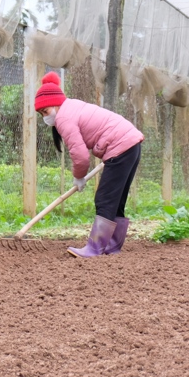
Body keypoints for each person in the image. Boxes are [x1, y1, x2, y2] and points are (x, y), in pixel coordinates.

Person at [35, 72, 144, 257]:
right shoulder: (72, 107)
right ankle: (112, 246)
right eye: (41, 114)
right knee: (116, 199)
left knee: (104, 198)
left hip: (120, 145)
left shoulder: (64, 117)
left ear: (55, 103)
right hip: (131, 143)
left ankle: (94, 248)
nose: (45, 117)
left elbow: (80, 155)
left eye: (45, 111)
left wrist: (78, 177)